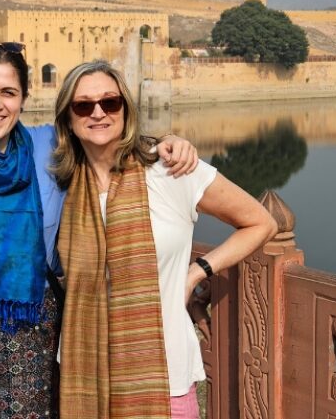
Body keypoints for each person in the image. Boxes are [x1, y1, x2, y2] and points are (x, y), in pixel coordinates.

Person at [0, 42, 199, 419]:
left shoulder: (48, 148)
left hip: (31, 329)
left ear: (23, 99)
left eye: (9, 92)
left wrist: (168, 142)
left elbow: (105, 131)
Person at [51, 60, 278, 419]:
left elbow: (260, 223)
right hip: (85, 376)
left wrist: (197, 272)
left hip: (163, 376)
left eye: (110, 103)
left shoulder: (170, 170)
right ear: (67, 118)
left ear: (126, 109)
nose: (98, 113)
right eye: (83, 105)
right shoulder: (60, 185)